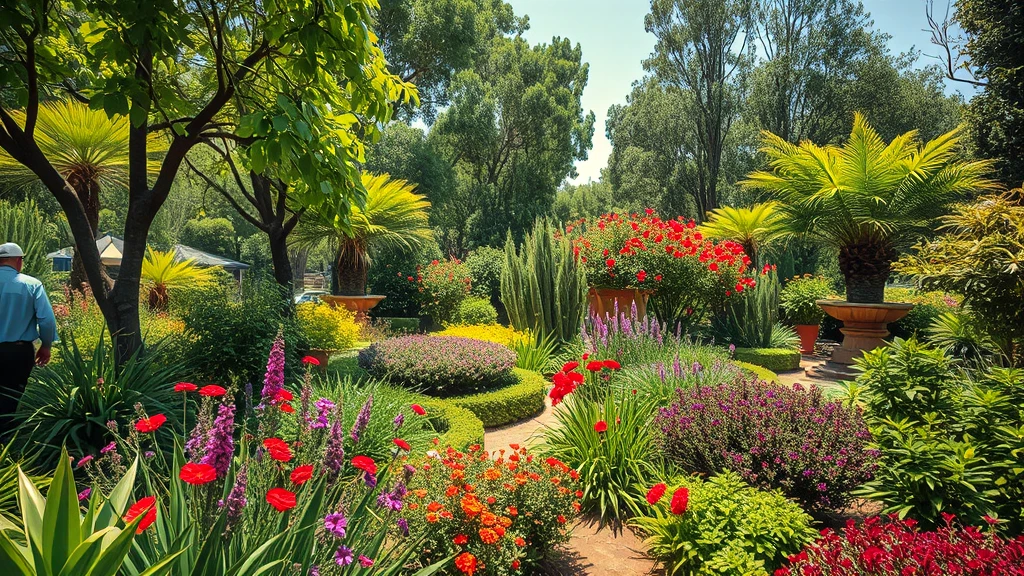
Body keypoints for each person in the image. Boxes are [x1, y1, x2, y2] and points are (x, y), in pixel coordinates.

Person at [0, 242, 57, 433]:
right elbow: (47, 321)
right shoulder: (32, 284)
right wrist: (46, 346)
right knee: (11, 395)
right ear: (18, 261)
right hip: (17, 351)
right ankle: (5, 442)